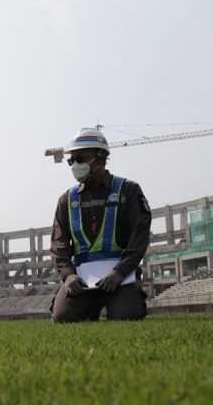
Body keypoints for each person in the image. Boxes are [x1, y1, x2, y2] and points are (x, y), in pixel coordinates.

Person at [49, 128, 152, 323]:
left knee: (126, 317)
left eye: (80, 158)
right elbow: (59, 243)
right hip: (81, 280)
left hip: (120, 277)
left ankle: (127, 299)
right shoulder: (67, 200)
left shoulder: (128, 191)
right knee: (64, 318)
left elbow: (139, 238)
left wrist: (119, 273)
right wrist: (68, 276)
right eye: (72, 161)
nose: (75, 165)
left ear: (100, 157)